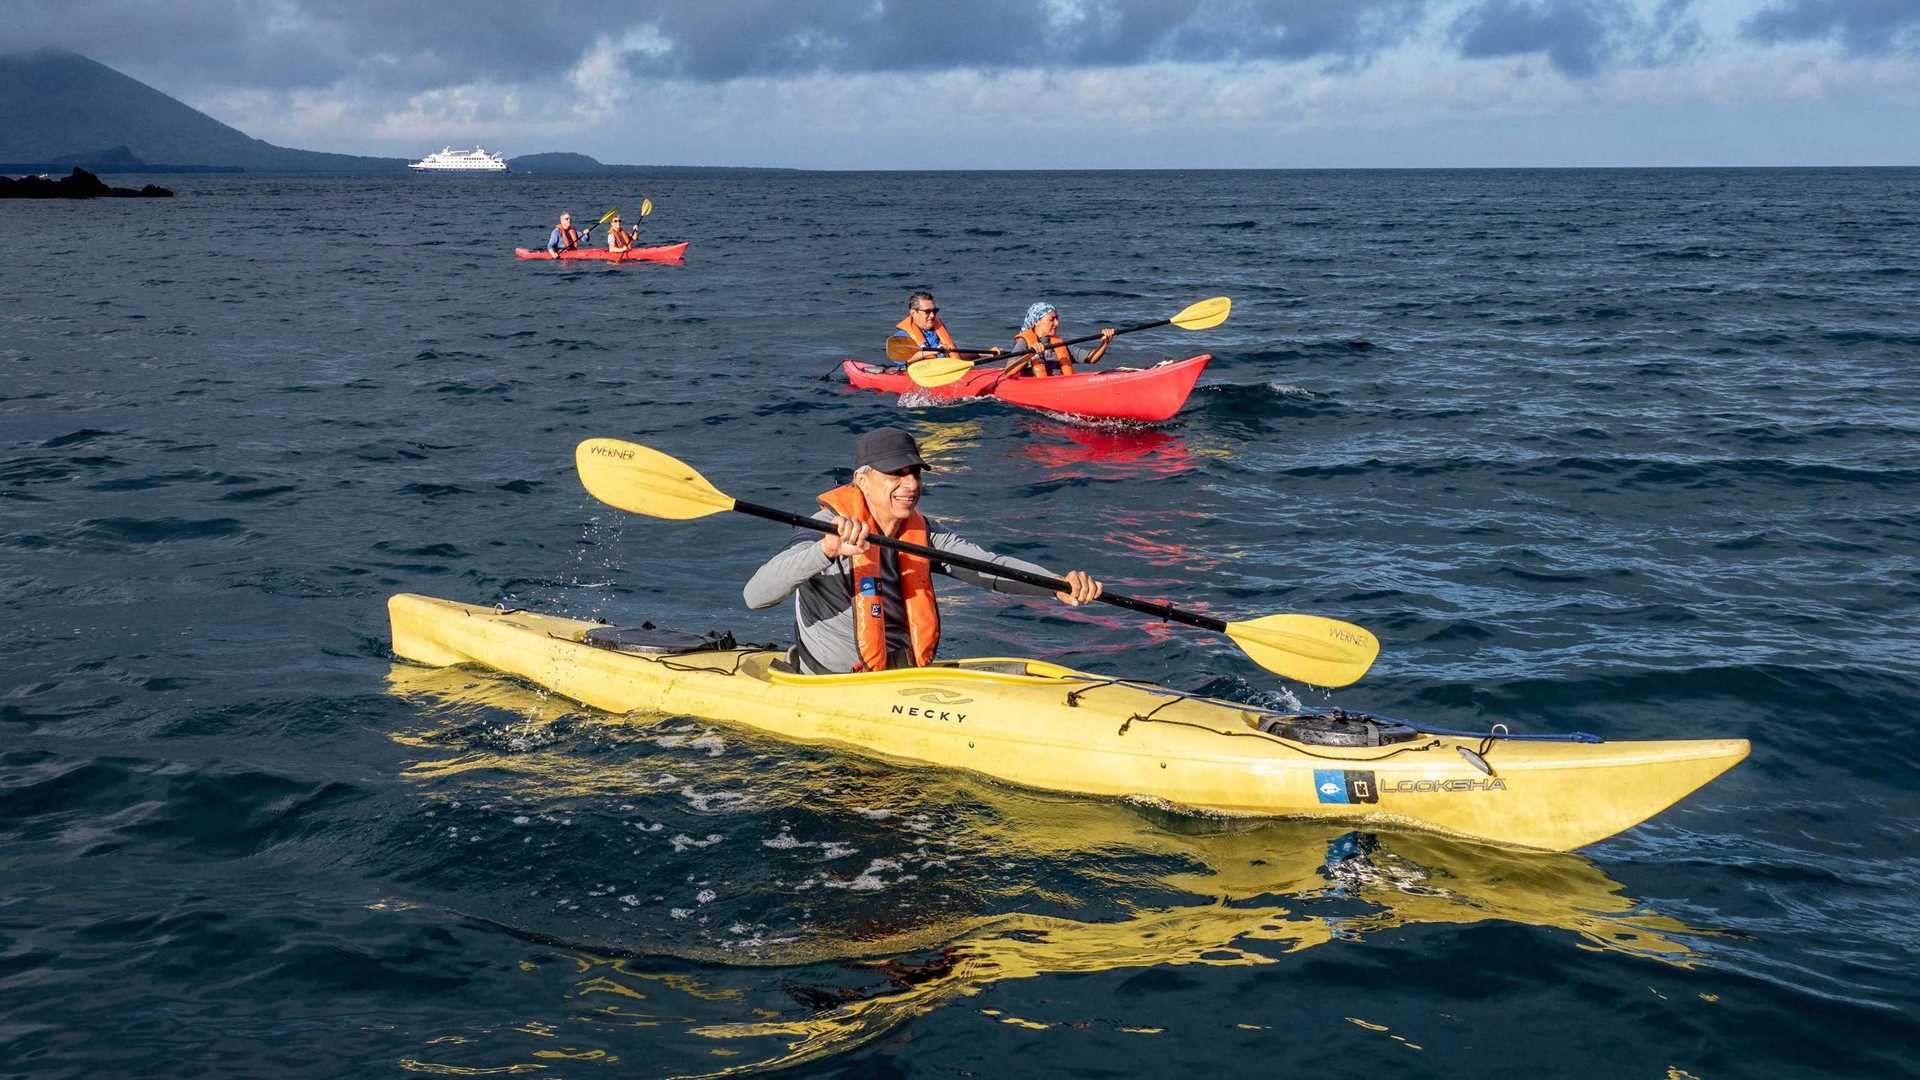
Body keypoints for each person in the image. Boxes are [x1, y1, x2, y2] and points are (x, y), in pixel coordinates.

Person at [744, 427, 1103, 674]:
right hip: (832, 685)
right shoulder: (823, 527)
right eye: (896, 474)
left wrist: (1055, 585)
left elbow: (987, 567)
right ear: (862, 480)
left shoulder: (924, 533)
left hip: (900, 680)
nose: (911, 484)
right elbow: (755, 595)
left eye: (915, 472)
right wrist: (827, 548)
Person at [1009, 302, 1115, 378]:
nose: (1057, 323)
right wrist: (1030, 355)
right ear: (1037, 321)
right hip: (1039, 388)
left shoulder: (1059, 343)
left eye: (1057, 318)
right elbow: (1009, 371)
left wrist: (1104, 343)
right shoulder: (1024, 343)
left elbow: (1091, 359)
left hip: (1062, 387)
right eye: (1051, 319)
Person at [890, 291, 999, 364]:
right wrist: (934, 351)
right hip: (920, 376)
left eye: (934, 311)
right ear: (913, 313)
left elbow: (954, 355)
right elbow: (905, 361)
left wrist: (985, 354)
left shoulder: (937, 329)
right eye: (927, 312)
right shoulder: (902, 336)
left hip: (945, 370)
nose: (932, 315)